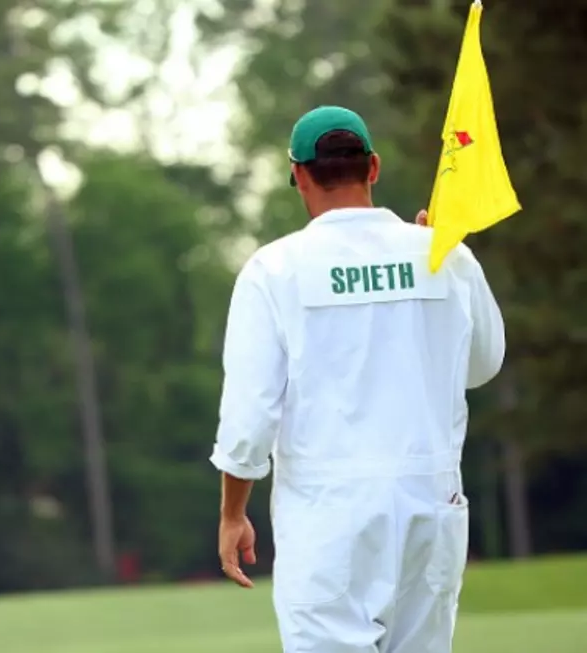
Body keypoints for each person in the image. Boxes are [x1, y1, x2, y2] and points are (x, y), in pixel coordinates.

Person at [209, 106, 505, 653]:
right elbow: (483, 366)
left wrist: (233, 512)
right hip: (432, 503)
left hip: (329, 512)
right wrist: (451, 256)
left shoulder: (274, 270)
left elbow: (250, 417)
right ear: (373, 167)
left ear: (298, 174)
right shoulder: (445, 252)